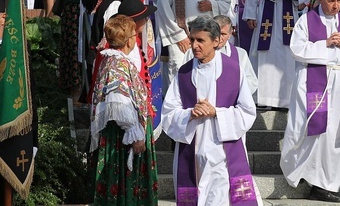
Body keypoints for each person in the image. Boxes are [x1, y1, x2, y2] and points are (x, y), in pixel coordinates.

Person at [161, 16, 262, 206]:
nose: (194, 45)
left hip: (222, 153)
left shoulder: (234, 70)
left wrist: (216, 112)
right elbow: (168, 113)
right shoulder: (183, 74)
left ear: (216, 41)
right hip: (192, 151)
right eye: (192, 40)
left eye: (201, 40)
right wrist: (190, 113)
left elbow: (247, 111)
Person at [280, 0, 340, 202]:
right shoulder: (306, 21)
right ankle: (303, 172)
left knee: (334, 134)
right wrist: (325, 43)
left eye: (338, 1)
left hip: (338, 84)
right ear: (320, 0)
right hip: (312, 82)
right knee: (309, 129)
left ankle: (325, 183)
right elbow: (297, 49)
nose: (335, 6)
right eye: (331, 1)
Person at [90, 15, 158, 205]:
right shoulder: (118, 64)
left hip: (123, 133)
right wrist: (135, 133)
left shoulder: (110, 60)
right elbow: (119, 101)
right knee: (126, 182)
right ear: (129, 40)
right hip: (123, 137)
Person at [243, 0, 312, 108]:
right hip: (267, 8)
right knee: (265, 53)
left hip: (288, 11)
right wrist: (250, 13)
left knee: (287, 53)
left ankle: (286, 98)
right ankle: (263, 98)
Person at [183, 15, 258, 95]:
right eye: (217, 33)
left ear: (230, 34)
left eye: (223, 34)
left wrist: (233, 91)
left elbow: (252, 82)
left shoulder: (240, 54)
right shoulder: (194, 52)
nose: (219, 38)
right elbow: (183, 78)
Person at [59, 0, 93, 106]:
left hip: (70, 10)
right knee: (76, 50)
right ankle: (76, 95)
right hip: (75, 13)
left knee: (73, 48)